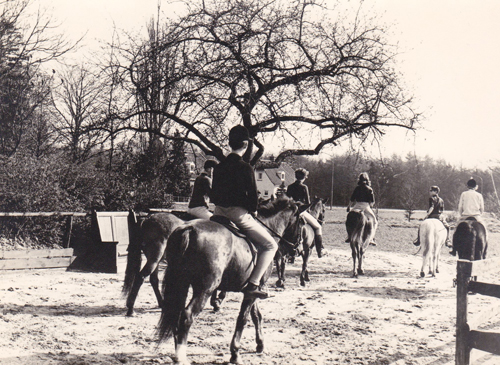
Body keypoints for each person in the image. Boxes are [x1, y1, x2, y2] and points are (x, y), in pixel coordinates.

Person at [210, 125, 277, 299]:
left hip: (217, 213)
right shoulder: (246, 167)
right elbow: (253, 195)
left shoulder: (218, 167)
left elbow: (213, 195)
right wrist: (253, 210)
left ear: (230, 143)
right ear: (246, 145)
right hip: (237, 214)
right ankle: (254, 284)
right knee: (271, 245)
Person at [286, 168, 326, 258]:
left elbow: (287, 200)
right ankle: (320, 250)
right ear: (304, 177)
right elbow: (308, 203)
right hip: (300, 211)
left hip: (289, 212)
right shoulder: (304, 187)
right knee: (318, 227)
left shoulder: (290, 187)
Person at [451, 177, 486, 255]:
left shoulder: (463, 194)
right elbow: (482, 208)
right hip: (476, 216)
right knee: (485, 230)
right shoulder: (479, 195)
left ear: (467, 186)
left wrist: (461, 215)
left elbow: (460, 207)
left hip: (465, 216)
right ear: (475, 186)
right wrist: (480, 214)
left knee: (456, 231)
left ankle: (454, 249)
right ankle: (485, 247)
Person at [346, 172, 378, 246]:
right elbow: (372, 202)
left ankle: (349, 236)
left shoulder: (357, 188)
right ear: (367, 180)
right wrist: (371, 205)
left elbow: (352, 199)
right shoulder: (370, 189)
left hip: (356, 206)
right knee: (375, 222)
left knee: (349, 219)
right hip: (366, 207)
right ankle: (371, 238)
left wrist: (348, 207)